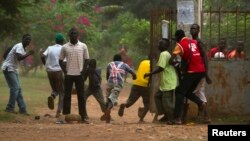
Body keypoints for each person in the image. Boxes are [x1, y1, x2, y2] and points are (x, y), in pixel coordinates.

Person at [172, 29, 206, 125]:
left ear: (178, 37)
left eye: (176, 39)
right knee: (187, 92)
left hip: (192, 71)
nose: (176, 41)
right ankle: (200, 103)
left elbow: (171, 59)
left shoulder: (180, 45)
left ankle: (177, 118)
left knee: (179, 91)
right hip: (201, 71)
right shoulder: (193, 42)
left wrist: (173, 63)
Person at [59, 27, 90, 124]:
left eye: (75, 33)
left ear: (78, 35)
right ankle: (66, 116)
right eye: (71, 33)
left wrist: (83, 72)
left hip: (79, 75)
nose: (73, 35)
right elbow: (60, 60)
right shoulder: (64, 47)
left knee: (81, 96)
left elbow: (87, 59)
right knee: (67, 95)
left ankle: (83, 116)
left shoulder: (83, 46)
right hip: (69, 75)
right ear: (69, 35)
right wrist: (65, 71)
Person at [144, 38, 178, 124]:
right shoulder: (166, 54)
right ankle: (166, 114)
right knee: (157, 96)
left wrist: (149, 74)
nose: (158, 45)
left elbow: (161, 68)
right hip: (166, 81)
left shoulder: (164, 54)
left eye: (160, 43)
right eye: (159, 43)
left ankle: (171, 119)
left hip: (168, 81)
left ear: (165, 46)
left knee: (167, 102)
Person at [1, 34, 34, 115]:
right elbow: (19, 57)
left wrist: (9, 59)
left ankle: (23, 110)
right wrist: (29, 53)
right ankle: (9, 108)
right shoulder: (19, 46)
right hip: (9, 68)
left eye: (29, 40)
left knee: (18, 89)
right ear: (22, 39)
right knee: (15, 88)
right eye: (26, 39)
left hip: (14, 68)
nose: (28, 41)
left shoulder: (23, 48)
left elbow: (6, 55)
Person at [101, 54, 136, 123]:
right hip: (118, 83)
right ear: (121, 59)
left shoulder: (109, 64)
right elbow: (132, 72)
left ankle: (107, 115)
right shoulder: (124, 64)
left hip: (110, 82)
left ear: (113, 59)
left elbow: (107, 76)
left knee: (108, 98)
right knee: (113, 98)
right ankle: (108, 111)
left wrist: (108, 83)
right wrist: (134, 76)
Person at [189, 24, 211, 123]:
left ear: (198, 30)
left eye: (195, 29)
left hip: (200, 72)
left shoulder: (199, 42)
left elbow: (205, 58)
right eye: (191, 29)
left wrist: (206, 73)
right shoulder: (192, 42)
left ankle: (206, 116)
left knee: (198, 93)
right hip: (195, 71)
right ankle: (201, 115)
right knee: (198, 93)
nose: (192, 30)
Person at [40, 33, 65, 118]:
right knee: (62, 92)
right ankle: (58, 111)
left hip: (49, 71)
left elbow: (42, 56)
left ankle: (52, 96)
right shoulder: (63, 48)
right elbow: (64, 61)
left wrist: (45, 64)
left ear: (55, 41)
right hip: (58, 71)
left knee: (55, 89)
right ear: (62, 41)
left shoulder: (50, 48)